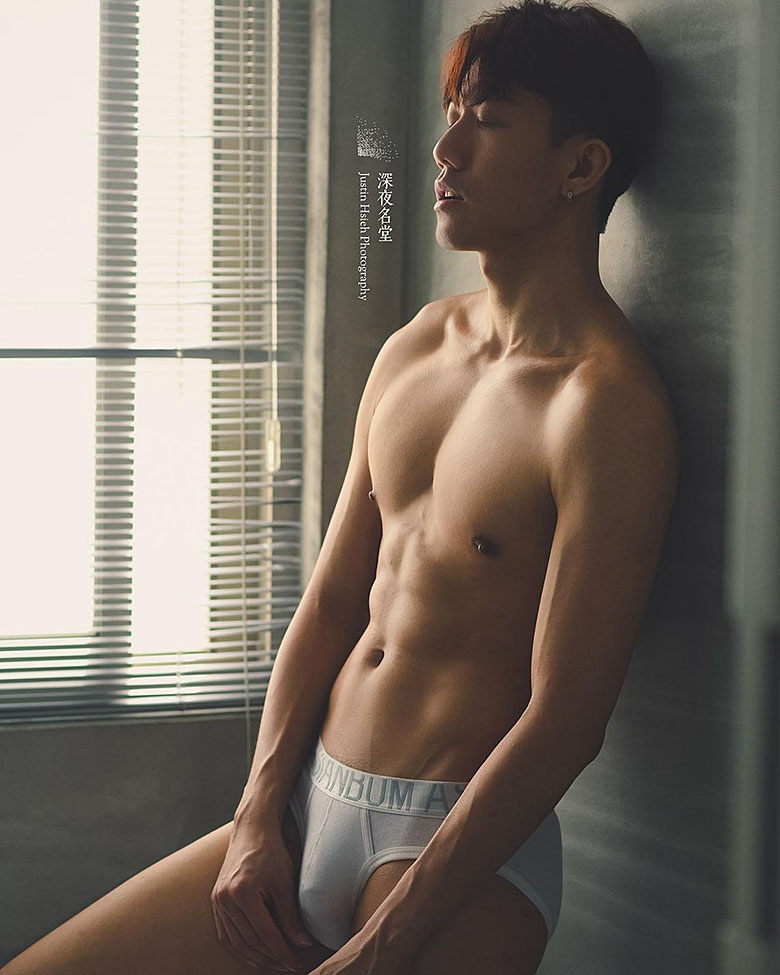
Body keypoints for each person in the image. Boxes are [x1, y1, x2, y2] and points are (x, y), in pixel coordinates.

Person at [1, 2, 679, 973]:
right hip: (306, 805)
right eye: (452, 112)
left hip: (453, 850)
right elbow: (329, 603)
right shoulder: (419, 348)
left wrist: (385, 941)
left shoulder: (605, 405)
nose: (446, 149)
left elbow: (566, 719)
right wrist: (254, 818)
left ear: (581, 166)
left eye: (489, 121)